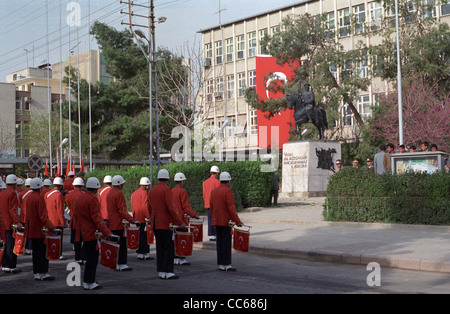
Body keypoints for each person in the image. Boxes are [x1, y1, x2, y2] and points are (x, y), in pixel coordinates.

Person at [75, 177, 113, 290]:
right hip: (91, 233)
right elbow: (97, 219)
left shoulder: (80, 197)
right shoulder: (92, 199)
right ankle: (89, 282)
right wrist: (107, 232)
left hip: (82, 231)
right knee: (92, 259)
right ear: (96, 188)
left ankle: (88, 281)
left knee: (88, 257)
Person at [148, 169, 186, 280]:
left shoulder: (152, 190)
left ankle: (160, 270)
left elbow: (149, 207)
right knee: (168, 247)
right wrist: (180, 222)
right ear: (168, 179)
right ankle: (168, 271)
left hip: (156, 223)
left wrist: (152, 219)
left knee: (160, 247)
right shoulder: (167, 190)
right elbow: (171, 208)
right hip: (166, 223)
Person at [24, 178, 57, 281]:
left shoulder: (29, 197)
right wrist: (51, 227)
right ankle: (43, 273)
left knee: (35, 253)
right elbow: (43, 216)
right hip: (40, 230)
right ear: (40, 187)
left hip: (32, 229)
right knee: (42, 253)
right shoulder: (39, 198)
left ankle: (37, 273)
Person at [210, 171, 243, 272]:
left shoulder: (214, 191)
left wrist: (214, 217)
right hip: (226, 221)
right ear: (228, 181)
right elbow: (231, 208)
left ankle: (220, 263)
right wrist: (237, 221)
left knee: (219, 243)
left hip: (216, 220)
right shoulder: (228, 191)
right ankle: (227, 264)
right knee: (226, 243)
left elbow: (211, 207)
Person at [106, 175, 136, 271]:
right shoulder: (118, 193)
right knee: (122, 244)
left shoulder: (109, 193)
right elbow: (122, 210)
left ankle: (114, 263)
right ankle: (121, 263)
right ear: (119, 184)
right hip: (119, 223)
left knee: (114, 244)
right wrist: (132, 220)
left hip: (112, 222)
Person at [172, 172, 199, 266]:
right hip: (181, 220)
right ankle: (182, 258)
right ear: (182, 181)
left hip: (173, 219)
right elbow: (186, 206)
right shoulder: (182, 191)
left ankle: (175, 258)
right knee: (182, 239)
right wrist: (194, 214)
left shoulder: (171, 191)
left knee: (175, 239)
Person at [0, 174, 23, 273]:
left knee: (5, 244)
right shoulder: (12, 193)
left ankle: (4, 264)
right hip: (9, 223)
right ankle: (10, 265)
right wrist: (17, 221)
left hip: (2, 222)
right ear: (14, 183)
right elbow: (13, 209)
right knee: (11, 244)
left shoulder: (2, 193)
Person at [131, 177, 152, 261]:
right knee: (145, 236)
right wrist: (148, 216)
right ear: (146, 185)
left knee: (139, 236)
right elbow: (145, 206)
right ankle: (145, 253)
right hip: (143, 218)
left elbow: (132, 206)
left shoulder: (134, 193)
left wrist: (134, 216)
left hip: (137, 217)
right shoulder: (144, 193)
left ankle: (140, 253)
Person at [44, 177, 66, 260]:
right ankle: (58, 254)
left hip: (49, 220)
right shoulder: (59, 194)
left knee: (49, 238)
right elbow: (60, 209)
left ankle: (50, 253)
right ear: (61, 185)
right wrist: (62, 221)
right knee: (58, 239)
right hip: (56, 220)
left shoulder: (47, 193)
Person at [66, 177, 86, 264]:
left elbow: (68, 205)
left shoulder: (68, 195)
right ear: (82, 185)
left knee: (76, 241)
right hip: (84, 221)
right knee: (85, 240)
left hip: (74, 220)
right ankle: (84, 257)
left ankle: (78, 258)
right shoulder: (84, 194)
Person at [203, 166, 221, 241]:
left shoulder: (205, 182)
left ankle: (211, 235)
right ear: (216, 173)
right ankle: (216, 234)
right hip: (216, 204)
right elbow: (219, 194)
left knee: (210, 219)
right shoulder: (218, 182)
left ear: (210, 172)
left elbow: (204, 193)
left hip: (208, 204)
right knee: (216, 219)